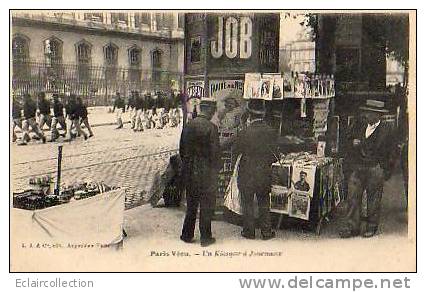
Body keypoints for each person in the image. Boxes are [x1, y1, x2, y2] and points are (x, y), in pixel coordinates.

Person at [339, 100, 395, 238]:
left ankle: (371, 226)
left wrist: (385, 170)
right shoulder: (360, 124)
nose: (366, 115)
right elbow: (347, 139)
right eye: (365, 112)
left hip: (375, 167)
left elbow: (393, 152)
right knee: (353, 196)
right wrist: (352, 142)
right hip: (357, 166)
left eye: (369, 113)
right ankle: (353, 227)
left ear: (378, 115)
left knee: (373, 199)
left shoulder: (387, 129)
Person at [179, 99, 220, 247]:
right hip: (206, 172)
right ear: (209, 110)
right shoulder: (211, 128)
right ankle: (205, 238)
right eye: (213, 111)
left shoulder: (188, 126)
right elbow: (215, 154)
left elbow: (182, 150)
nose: (214, 113)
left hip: (190, 171)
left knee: (191, 205)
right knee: (206, 205)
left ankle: (186, 235)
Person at [235, 99, 277, 240]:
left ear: (249, 115)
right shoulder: (271, 131)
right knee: (264, 201)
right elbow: (274, 153)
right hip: (264, 170)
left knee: (247, 202)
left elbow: (236, 150)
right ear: (263, 114)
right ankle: (266, 232)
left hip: (247, 170)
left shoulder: (244, 132)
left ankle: (249, 231)